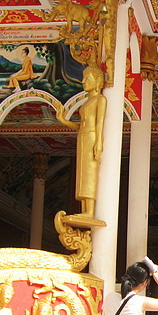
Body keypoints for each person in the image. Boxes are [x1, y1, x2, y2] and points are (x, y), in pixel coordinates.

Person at [56, 64, 107, 218]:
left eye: (87, 78)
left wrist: (99, 143)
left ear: (98, 80)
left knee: (90, 171)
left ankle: (90, 211)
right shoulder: (87, 102)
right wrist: (63, 120)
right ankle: (85, 209)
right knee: (83, 173)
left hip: (92, 136)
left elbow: (100, 123)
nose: (83, 81)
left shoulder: (100, 100)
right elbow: (80, 126)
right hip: (83, 137)